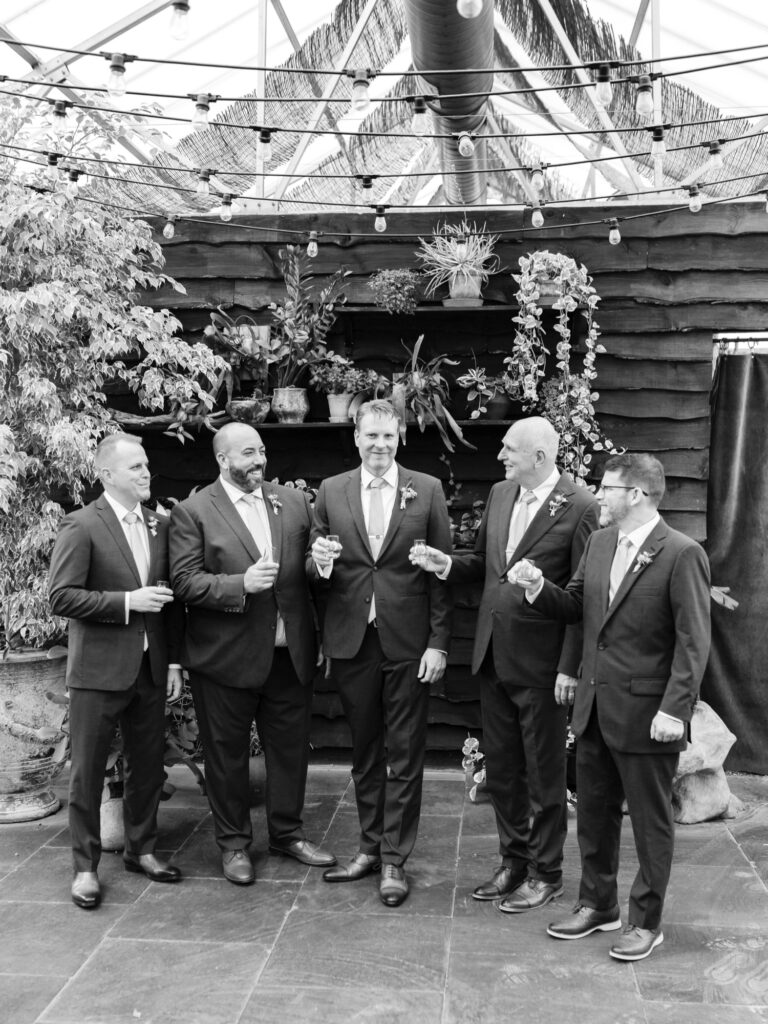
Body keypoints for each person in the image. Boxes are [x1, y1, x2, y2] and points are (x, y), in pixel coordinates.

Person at [511, 453, 710, 961]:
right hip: (595, 708)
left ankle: (647, 922)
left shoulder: (681, 553)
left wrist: (675, 710)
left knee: (650, 824)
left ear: (637, 495)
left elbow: (693, 642)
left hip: (649, 716)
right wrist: (538, 589)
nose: (598, 494)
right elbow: (577, 605)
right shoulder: (601, 543)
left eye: (607, 487)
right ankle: (599, 906)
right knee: (595, 816)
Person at [411, 417, 599, 913]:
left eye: (510, 449)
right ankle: (513, 860)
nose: (501, 455)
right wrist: (447, 564)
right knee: (503, 771)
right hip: (492, 656)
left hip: (542, 666)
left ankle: (547, 872)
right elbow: (484, 563)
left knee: (544, 775)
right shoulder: (500, 494)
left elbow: (583, 598)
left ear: (540, 457)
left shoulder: (580, 506)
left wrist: (569, 667)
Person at [169, 422, 335, 885]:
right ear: (223, 459)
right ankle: (234, 845)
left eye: (261, 451)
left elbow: (304, 573)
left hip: (289, 655)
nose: (259, 460)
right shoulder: (194, 511)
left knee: (289, 754)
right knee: (226, 757)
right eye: (248, 454)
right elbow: (183, 582)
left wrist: (319, 561)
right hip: (225, 659)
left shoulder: (295, 501)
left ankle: (286, 834)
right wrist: (238, 584)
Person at [310, 399, 452, 907]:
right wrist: (318, 562)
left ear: (400, 439)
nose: (379, 445)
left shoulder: (427, 490)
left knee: (406, 753)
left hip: (409, 643)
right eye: (371, 436)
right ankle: (369, 846)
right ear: (356, 438)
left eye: (388, 437)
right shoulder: (331, 491)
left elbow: (441, 573)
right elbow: (315, 566)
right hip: (353, 641)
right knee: (365, 752)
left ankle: (395, 857)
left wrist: (438, 643)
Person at [48, 433, 184, 910]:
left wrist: (170, 661)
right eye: (135, 468)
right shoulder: (81, 524)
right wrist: (127, 602)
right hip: (97, 673)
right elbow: (61, 596)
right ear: (107, 475)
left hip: (149, 670)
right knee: (86, 775)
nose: (146, 474)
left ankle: (141, 850)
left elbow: (169, 605)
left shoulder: (159, 525)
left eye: (146, 466)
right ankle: (85, 868)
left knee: (147, 768)